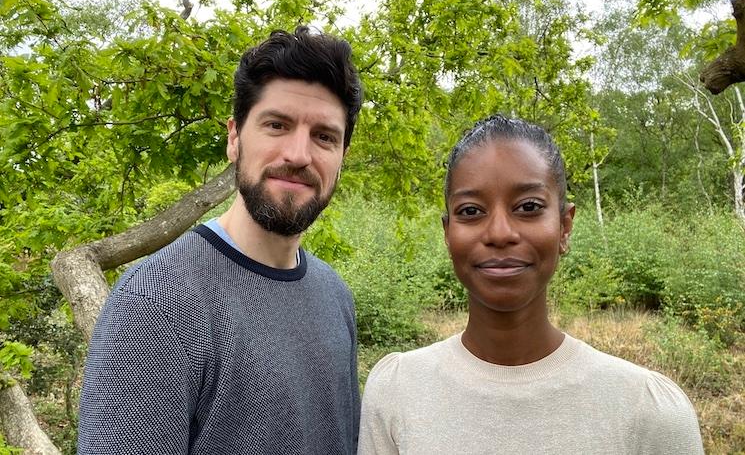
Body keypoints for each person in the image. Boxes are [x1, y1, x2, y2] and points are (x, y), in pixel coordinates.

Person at [78, 26, 363, 454]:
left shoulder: (334, 295)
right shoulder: (156, 302)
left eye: (324, 136)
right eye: (276, 125)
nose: (299, 155)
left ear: (341, 157)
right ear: (234, 138)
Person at [357, 114, 704, 455]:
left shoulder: (648, 412)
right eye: (471, 211)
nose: (499, 233)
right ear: (448, 234)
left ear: (564, 227)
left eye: (528, 206)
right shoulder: (397, 390)